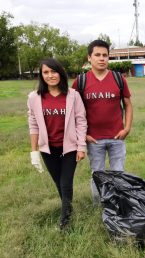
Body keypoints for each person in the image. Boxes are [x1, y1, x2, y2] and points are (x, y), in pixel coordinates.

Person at [27, 58, 87, 230]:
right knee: (58, 183)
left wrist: (81, 147)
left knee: (66, 182)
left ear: (60, 73)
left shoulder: (73, 95)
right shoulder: (34, 97)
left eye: (53, 71)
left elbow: (81, 121)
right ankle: (68, 208)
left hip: (69, 147)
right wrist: (34, 152)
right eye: (46, 72)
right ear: (41, 75)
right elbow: (33, 123)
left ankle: (65, 220)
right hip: (48, 149)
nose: (50, 75)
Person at [72, 39, 133, 204]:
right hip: (94, 139)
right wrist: (83, 135)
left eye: (105, 55)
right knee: (97, 173)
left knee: (118, 173)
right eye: (97, 55)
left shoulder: (118, 78)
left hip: (117, 137)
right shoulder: (80, 82)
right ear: (89, 58)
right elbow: (73, 112)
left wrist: (126, 128)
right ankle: (98, 206)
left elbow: (127, 105)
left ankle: (119, 204)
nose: (101, 58)